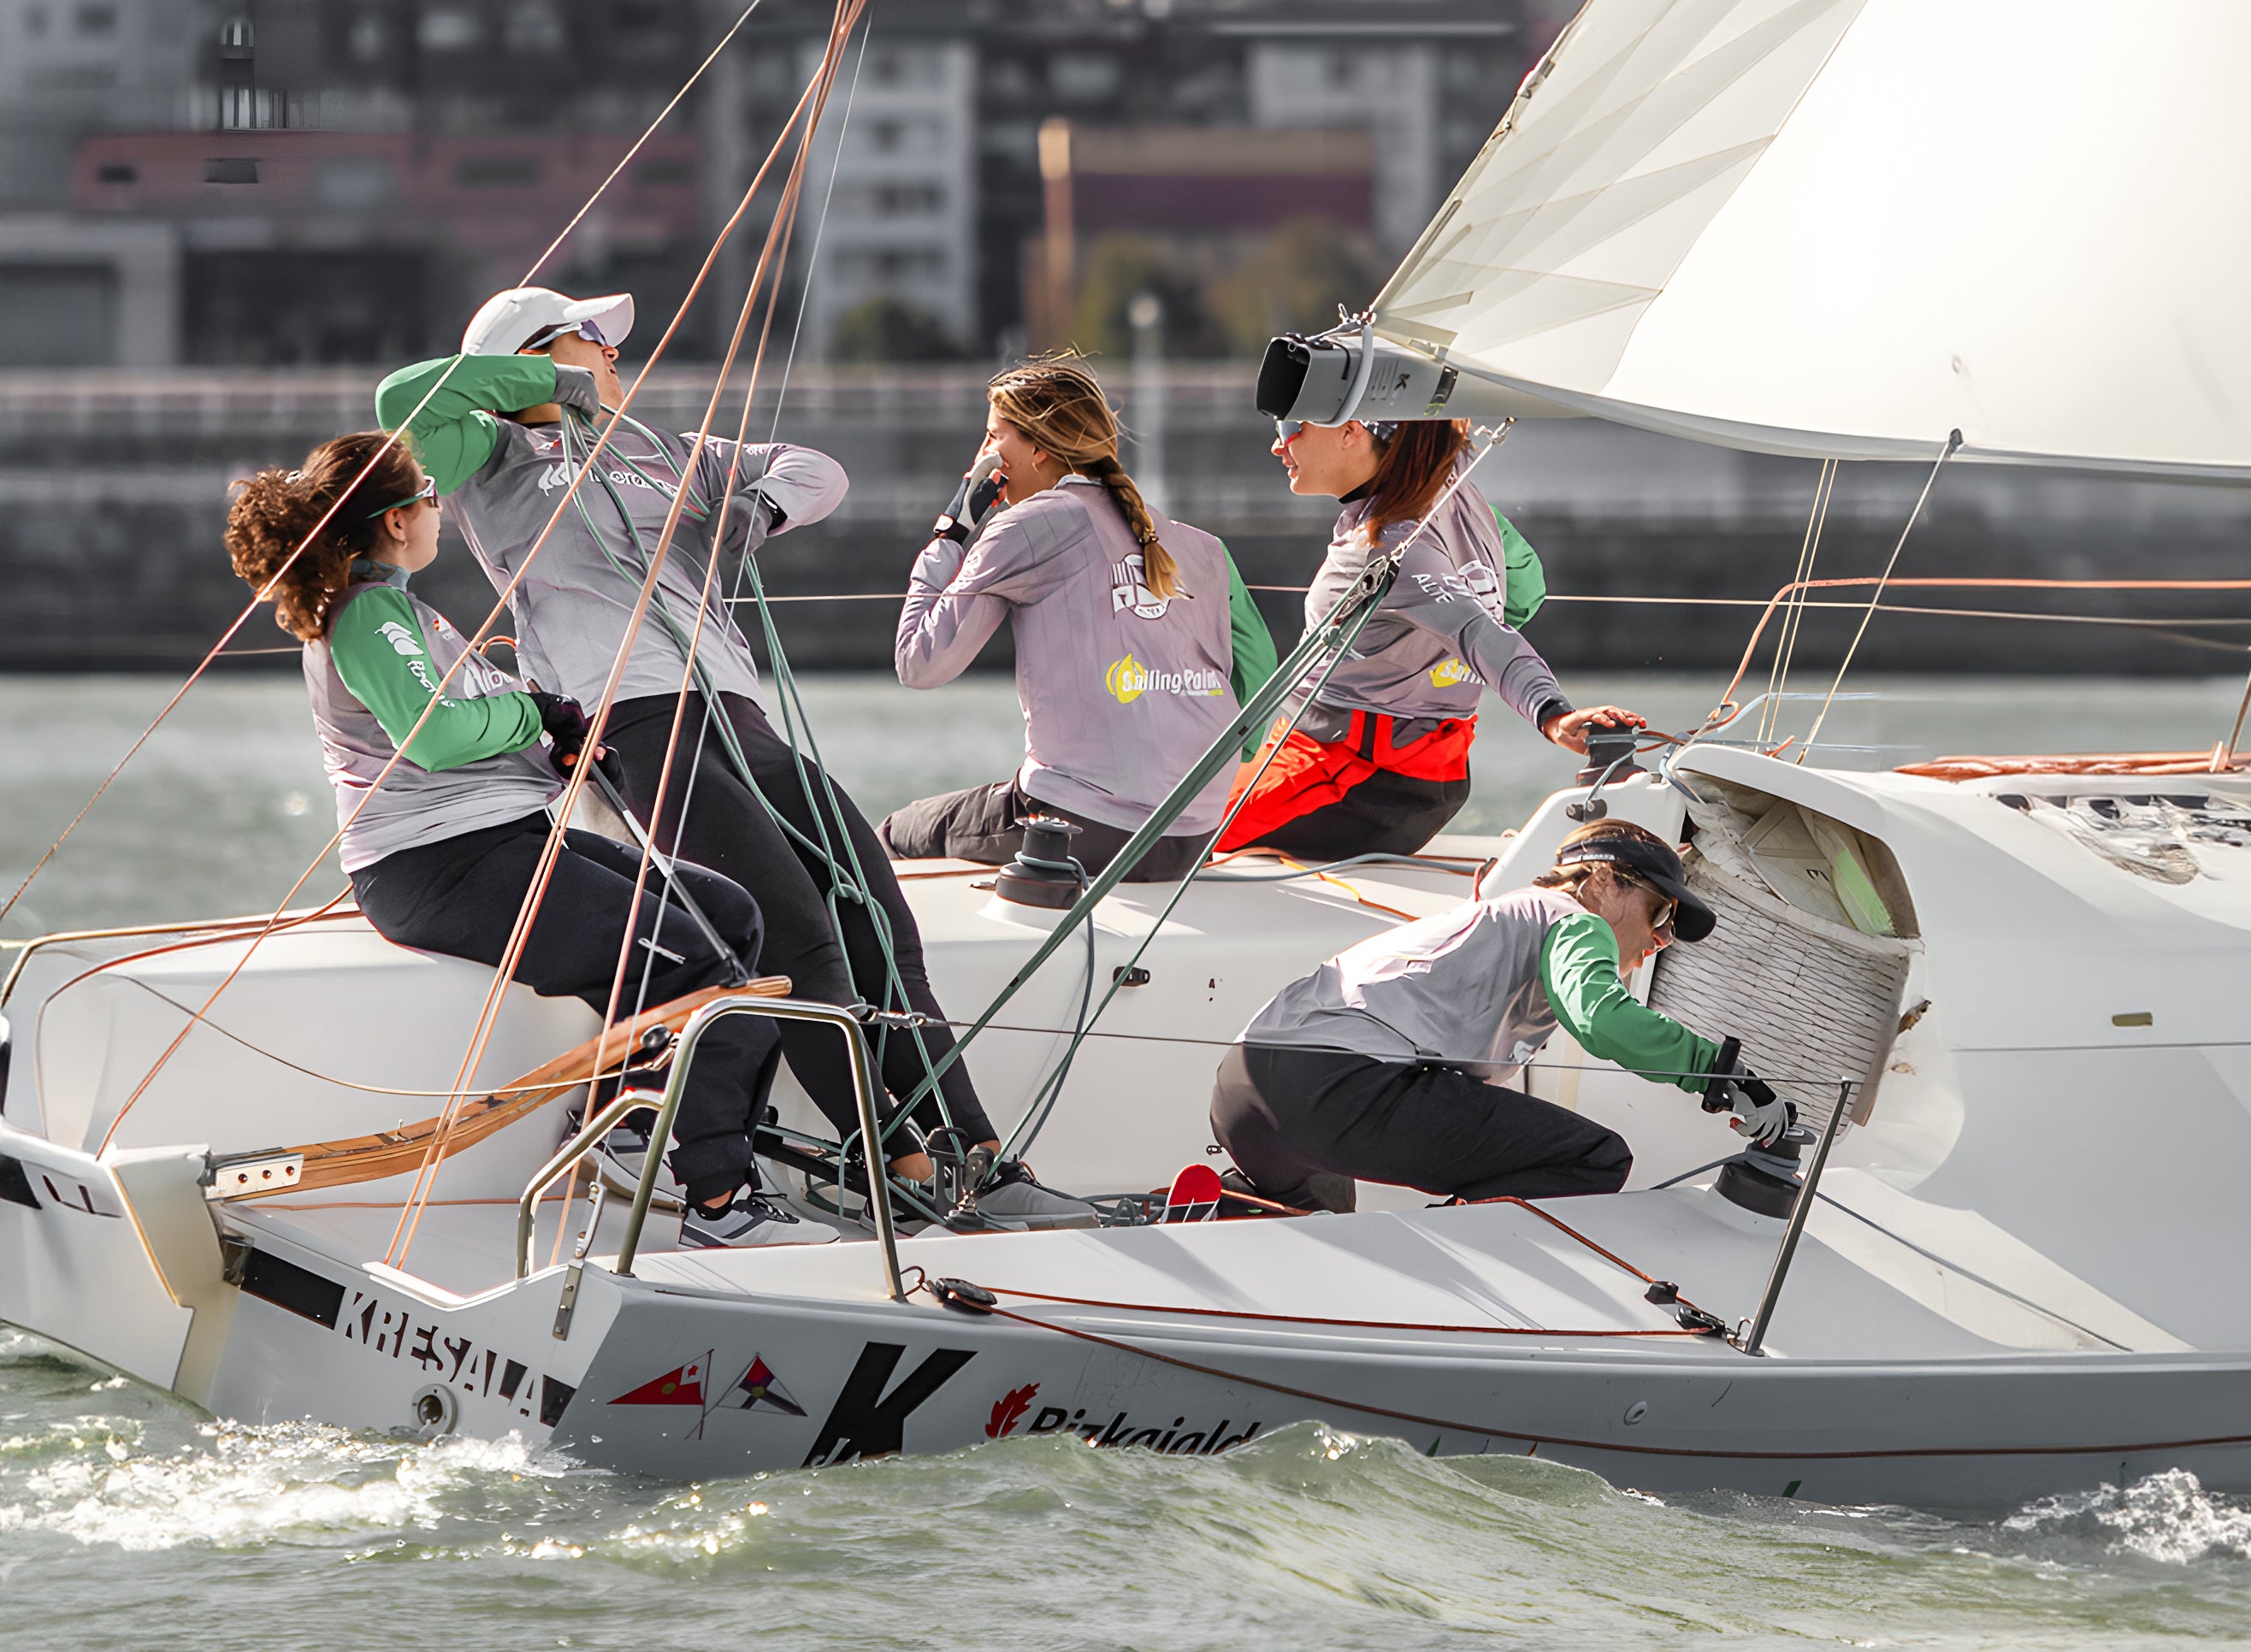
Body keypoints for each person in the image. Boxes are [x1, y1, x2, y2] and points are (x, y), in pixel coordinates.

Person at [375, 287, 1090, 1226]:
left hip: (738, 717)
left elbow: (817, 469)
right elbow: (405, 406)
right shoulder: (491, 455)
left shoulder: (663, 448)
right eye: (594, 340)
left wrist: (754, 508)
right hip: (632, 723)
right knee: (797, 930)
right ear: (536, 353)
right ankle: (901, 1165)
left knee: (876, 916)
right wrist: (552, 384)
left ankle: (977, 1156)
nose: (614, 354)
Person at [223, 431, 831, 1249]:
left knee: (730, 912)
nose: (441, 507)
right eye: (430, 494)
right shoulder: (368, 614)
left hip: (501, 839)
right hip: (438, 865)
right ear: (397, 522)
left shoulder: (399, 609)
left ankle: (622, 1127)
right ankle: (720, 1204)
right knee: (695, 965)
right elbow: (435, 736)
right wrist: (538, 713)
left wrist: (556, 737)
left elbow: (468, 717)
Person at [1211, 819, 1791, 1212]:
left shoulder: (1503, 920)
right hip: (1337, 1086)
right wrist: (1721, 1074)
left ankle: (1219, 1220)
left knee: (1318, 1235)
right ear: (1605, 882)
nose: (1663, 938)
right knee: (1592, 1158)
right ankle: (1458, 1307)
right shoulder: (1573, 918)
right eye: (1660, 912)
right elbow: (1602, 1020)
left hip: (1244, 1091)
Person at [882, 358, 1279, 882]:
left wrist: (952, 531)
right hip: (1195, 833)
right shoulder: (1203, 548)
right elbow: (1261, 666)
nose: (981, 456)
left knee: (892, 834)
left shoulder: (1024, 528)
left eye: (992, 437)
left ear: (1038, 448)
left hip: (1077, 827)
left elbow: (920, 663)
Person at [1219, 416, 1646, 859]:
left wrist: (1553, 716)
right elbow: (1524, 591)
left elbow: (1479, 632)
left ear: (1351, 431)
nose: (1277, 445)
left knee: (1166, 828)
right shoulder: (1459, 495)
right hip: (1429, 776)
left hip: (1350, 779)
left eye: (1292, 427)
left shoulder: (1388, 548)